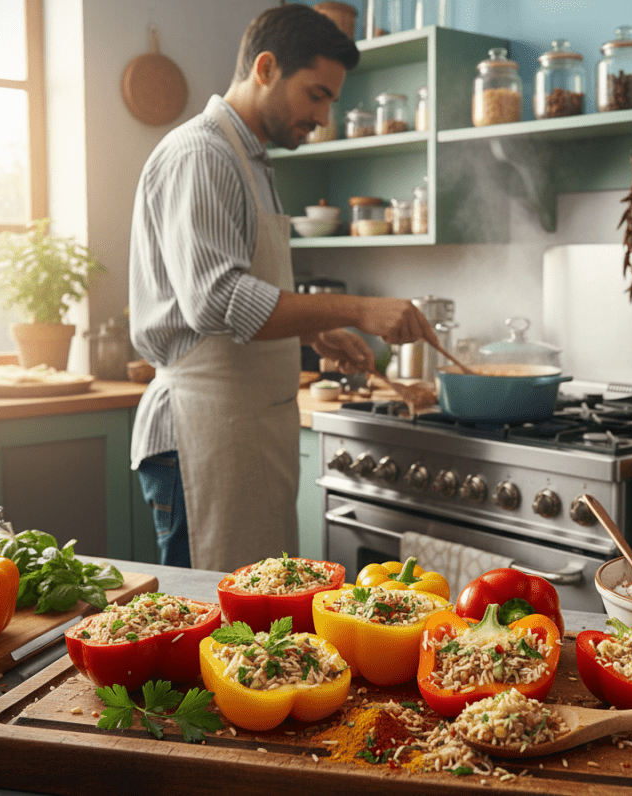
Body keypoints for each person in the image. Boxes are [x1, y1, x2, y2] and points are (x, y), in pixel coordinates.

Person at [129, 4, 440, 571]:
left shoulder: (251, 160)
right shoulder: (203, 153)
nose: (322, 117)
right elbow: (216, 300)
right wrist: (358, 309)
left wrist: (319, 327)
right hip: (200, 438)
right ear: (266, 68)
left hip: (243, 437)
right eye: (316, 94)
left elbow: (243, 290)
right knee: (206, 633)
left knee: (257, 635)